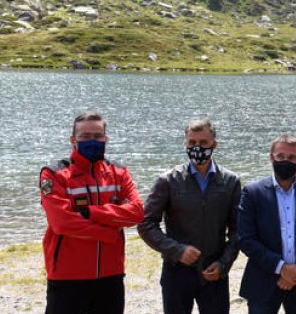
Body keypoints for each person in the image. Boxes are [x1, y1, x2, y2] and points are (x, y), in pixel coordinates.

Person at [40, 111, 145, 314]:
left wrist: (91, 213)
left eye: (97, 136)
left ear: (106, 139)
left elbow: (137, 212)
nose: (92, 141)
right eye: (85, 136)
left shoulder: (118, 172)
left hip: (110, 274)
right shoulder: (54, 174)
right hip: (67, 276)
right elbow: (61, 222)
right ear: (73, 140)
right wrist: (107, 232)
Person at [139, 119, 243, 314]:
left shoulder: (230, 181)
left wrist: (224, 264)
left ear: (214, 144)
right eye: (192, 142)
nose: (197, 148)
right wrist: (177, 250)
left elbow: (238, 229)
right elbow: (146, 224)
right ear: (185, 144)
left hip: (214, 270)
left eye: (203, 143)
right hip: (176, 270)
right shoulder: (168, 180)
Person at [238, 134, 296, 314]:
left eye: (291, 157)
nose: (285, 161)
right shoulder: (253, 192)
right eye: (280, 156)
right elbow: (246, 239)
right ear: (271, 157)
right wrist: (281, 268)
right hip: (263, 280)